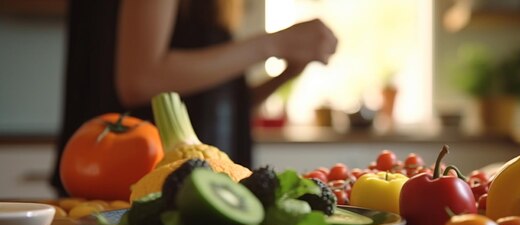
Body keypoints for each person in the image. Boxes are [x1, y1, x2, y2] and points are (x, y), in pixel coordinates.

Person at [50, 0, 338, 197]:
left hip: (198, 190)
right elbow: (140, 79)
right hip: (132, 190)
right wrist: (273, 43)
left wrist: (287, 72)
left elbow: (220, 104)